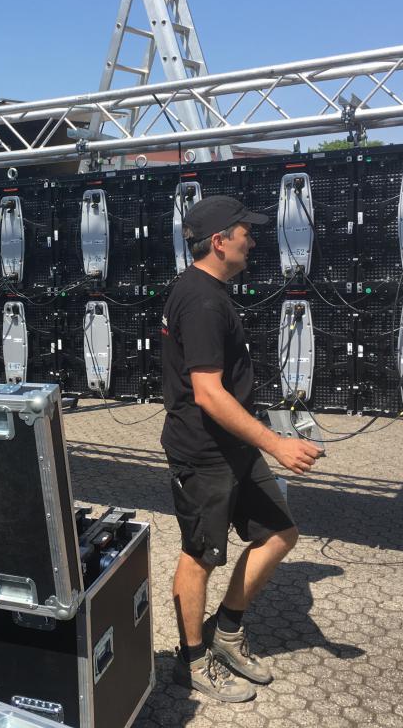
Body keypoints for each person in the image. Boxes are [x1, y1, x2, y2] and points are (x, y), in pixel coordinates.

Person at [161, 195, 323, 702]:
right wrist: (277, 444)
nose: (252, 241)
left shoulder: (208, 291)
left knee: (280, 533)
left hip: (234, 446)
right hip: (203, 452)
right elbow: (208, 394)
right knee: (201, 556)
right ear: (219, 241)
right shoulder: (202, 301)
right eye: (245, 232)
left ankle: (226, 632)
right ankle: (191, 661)